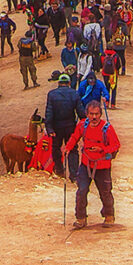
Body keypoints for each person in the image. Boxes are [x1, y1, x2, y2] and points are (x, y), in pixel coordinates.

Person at [63, 97, 121, 227]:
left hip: (102, 166)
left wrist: (103, 149)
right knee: (81, 191)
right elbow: (75, 137)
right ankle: (81, 218)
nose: (94, 117)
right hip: (86, 164)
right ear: (87, 114)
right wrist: (68, 147)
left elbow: (116, 145)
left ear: (100, 114)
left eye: (96, 114)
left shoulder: (107, 128)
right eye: (91, 114)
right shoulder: (82, 125)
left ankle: (109, 216)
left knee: (105, 192)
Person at [43, 75, 81, 184]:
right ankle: (74, 175)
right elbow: (80, 111)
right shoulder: (75, 93)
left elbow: (49, 112)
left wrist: (49, 128)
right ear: (69, 83)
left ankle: (60, 171)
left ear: (58, 83)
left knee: (56, 148)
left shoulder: (52, 94)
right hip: (70, 127)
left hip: (56, 127)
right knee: (73, 149)